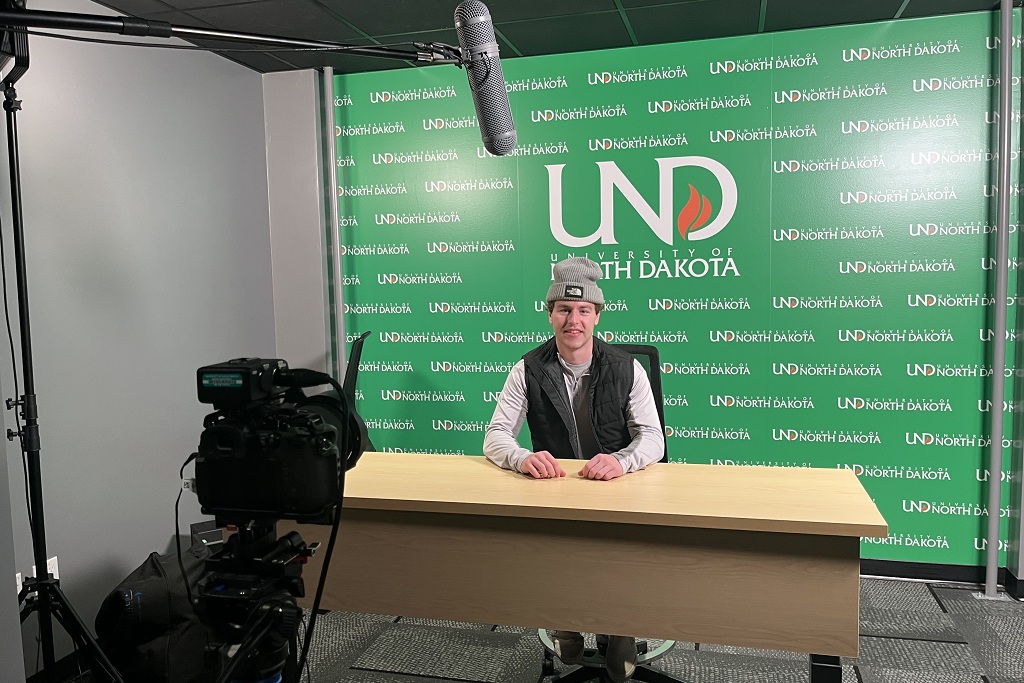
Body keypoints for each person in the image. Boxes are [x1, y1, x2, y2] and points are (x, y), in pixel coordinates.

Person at [482, 256, 665, 682]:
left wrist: (621, 461)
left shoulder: (626, 368)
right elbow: (495, 436)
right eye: (564, 309)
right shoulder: (527, 368)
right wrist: (523, 458)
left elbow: (653, 439)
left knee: (614, 554)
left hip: (614, 491)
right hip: (560, 491)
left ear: (598, 315)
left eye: (584, 310)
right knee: (558, 549)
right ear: (550, 315)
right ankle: (564, 618)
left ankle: (618, 626)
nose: (574, 320)